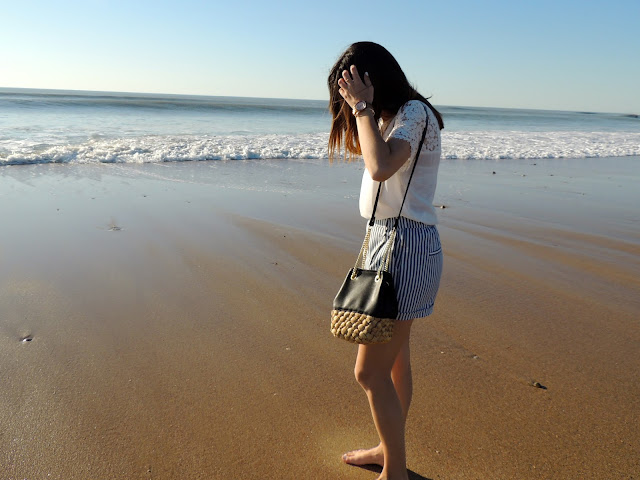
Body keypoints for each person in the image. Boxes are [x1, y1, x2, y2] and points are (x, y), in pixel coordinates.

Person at [327, 42, 445, 480]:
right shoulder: (396, 117)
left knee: (368, 371)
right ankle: (387, 449)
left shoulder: (413, 114)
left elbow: (380, 168)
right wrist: (365, 112)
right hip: (391, 242)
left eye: (349, 87)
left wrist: (361, 108)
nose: (345, 100)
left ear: (370, 79)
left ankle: (395, 470)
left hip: (405, 247)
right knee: (395, 361)